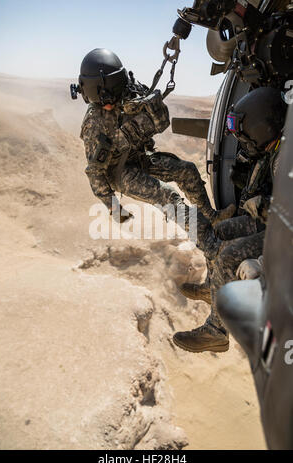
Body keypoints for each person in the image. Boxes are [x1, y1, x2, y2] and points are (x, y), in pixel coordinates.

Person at [78, 48, 235, 250]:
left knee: (187, 171)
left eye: (111, 100)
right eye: (103, 103)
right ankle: (213, 249)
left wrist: (151, 105)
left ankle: (213, 219)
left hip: (139, 157)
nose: (108, 106)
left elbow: (161, 123)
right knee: (169, 197)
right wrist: (113, 206)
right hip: (119, 172)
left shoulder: (130, 93)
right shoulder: (94, 124)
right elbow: (95, 172)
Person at [173, 87, 287, 353]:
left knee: (228, 257)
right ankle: (214, 288)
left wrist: (262, 207)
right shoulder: (276, 147)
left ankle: (217, 331)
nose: (244, 141)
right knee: (220, 231)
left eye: (246, 136)